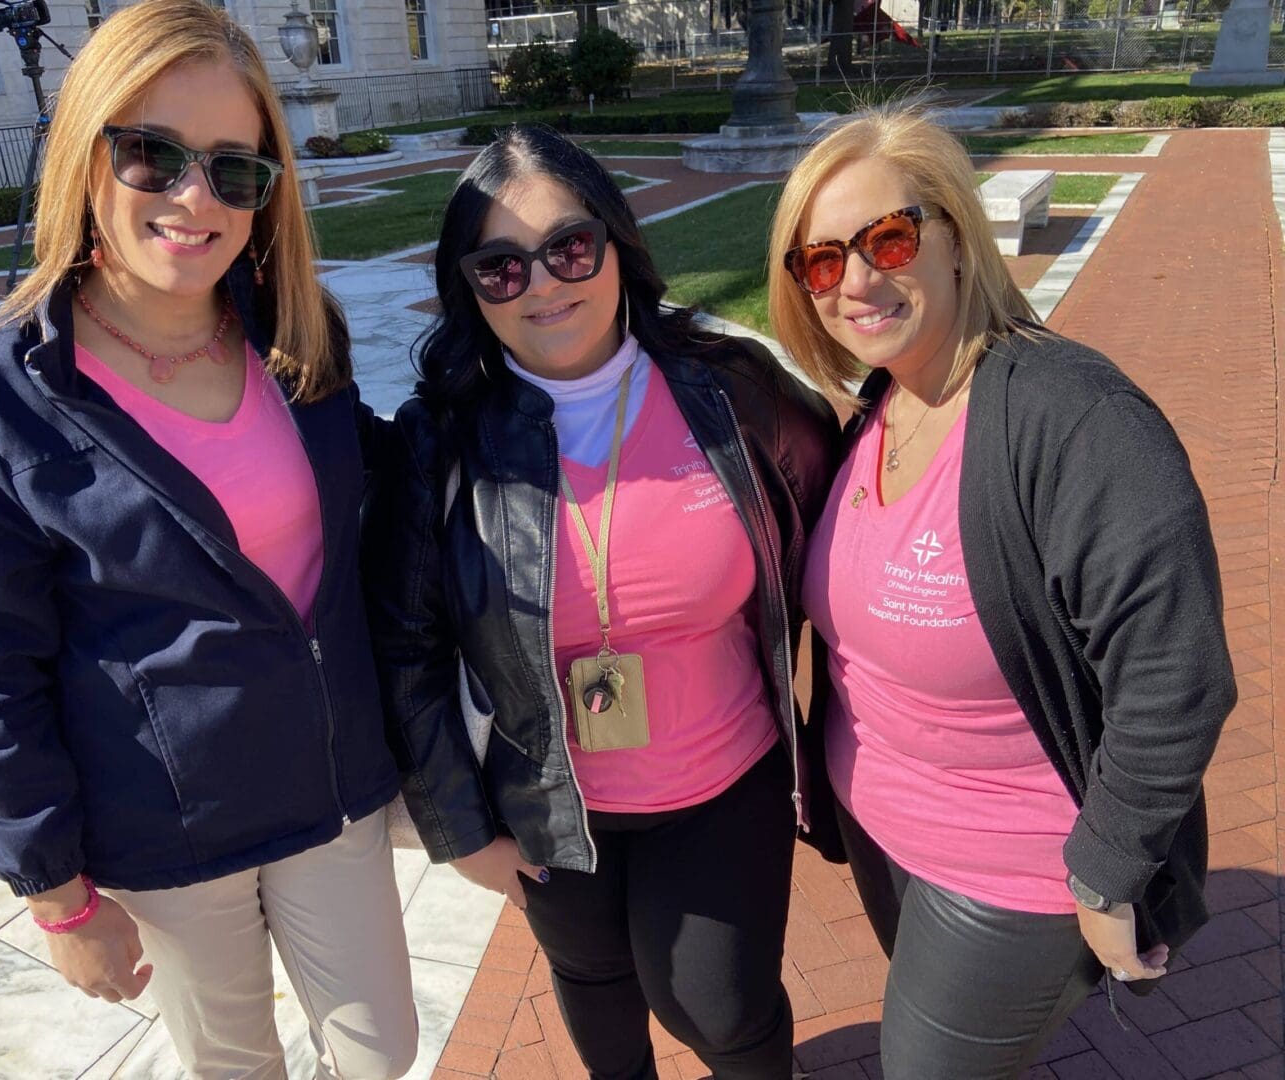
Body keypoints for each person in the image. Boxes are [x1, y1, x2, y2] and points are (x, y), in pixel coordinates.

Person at [0, 3, 416, 1077]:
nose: (197, 199)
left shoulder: (292, 328)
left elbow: (388, 477)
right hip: (169, 830)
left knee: (383, 1052)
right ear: (87, 154)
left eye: (237, 170)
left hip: (331, 790)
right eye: (154, 154)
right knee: (236, 1067)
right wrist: (53, 893)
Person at [362, 124, 839, 1080]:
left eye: (569, 246)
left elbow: (847, 519)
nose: (543, 283)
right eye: (501, 268)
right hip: (546, 800)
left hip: (724, 779)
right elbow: (404, 649)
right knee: (593, 983)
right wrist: (462, 833)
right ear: (471, 290)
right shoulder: (439, 441)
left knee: (719, 1003)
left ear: (617, 242)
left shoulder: (729, 391)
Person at [767, 106, 1236, 1079]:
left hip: (1012, 864)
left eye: (886, 238)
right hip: (887, 834)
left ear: (953, 240)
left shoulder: (1074, 420)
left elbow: (1176, 674)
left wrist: (1108, 876)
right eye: (819, 261)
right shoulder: (885, 406)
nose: (855, 280)